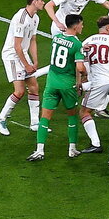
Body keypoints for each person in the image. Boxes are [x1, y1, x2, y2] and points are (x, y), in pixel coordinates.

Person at [27, 14, 87, 162]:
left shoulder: (56, 38)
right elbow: (79, 67)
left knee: (44, 118)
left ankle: (39, 150)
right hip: (67, 85)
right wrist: (84, 74)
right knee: (72, 116)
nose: (82, 27)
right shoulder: (77, 44)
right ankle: (72, 149)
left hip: (52, 82)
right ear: (75, 26)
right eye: (81, 24)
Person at [0, 0, 45, 135]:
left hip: (22, 54)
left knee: (34, 87)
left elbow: (33, 40)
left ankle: (35, 122)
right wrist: (27, 65)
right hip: (12, 56)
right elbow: (16, 46)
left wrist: (34, 61)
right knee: (20, 91)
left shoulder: (35, 17)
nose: (43, 2)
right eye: (41, 0)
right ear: (34, 2)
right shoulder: (21, 19)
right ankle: (0, 119)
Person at [78, 16, 109, 153]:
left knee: (84, 111)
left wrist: (82, 80)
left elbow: (81, 63)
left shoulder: (87, 41)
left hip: (99, 82)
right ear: (108, 28)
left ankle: (96, 144)